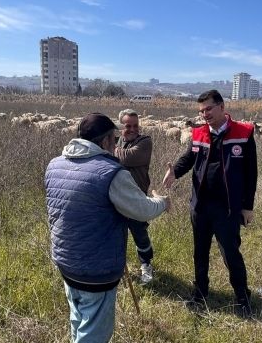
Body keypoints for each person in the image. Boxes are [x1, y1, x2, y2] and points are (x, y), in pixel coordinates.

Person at [46, 112, 171, 342]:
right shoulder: (111, 172)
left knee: (78, 317)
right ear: (105, 142)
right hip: (96, 270)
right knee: (94, 333)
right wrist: (163, 202)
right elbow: (142, 209)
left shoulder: (54, 165)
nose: (116, 146)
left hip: (65, 261)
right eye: (114, 140)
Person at [163, 89, 257, 318]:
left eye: (209, 109)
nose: (205, 114)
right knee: (200, 251)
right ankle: (200, 292)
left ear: (222, 107)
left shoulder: (243, 133)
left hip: (227, 208)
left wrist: (247, 206)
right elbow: (189, 158)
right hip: (200, 206)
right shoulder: (199, 134)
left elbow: (250, 172)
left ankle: (242, 297)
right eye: (201, 111)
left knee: (230, 253)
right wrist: (175, 171)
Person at [114, 108, 156, 284]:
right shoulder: (117, 142)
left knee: (140, 233)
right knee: (115, 235)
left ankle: (146, 265)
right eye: (128, 126)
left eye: (135, 125)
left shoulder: (145, 142)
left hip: (136, 197)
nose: (132, 129)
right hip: (116, 198)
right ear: (120, 126)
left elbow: (128, 158)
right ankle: (116, 268)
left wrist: (108, 149)